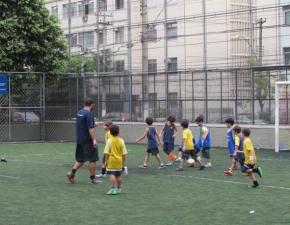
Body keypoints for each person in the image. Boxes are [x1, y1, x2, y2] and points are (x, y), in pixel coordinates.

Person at [66, 98, 102, 184]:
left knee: (81, 159)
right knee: (93, 159)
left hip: (80, 139)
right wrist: (94, 140)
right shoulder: (89, 114)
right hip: (88, 140)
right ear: (92, 105)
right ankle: (92, 179)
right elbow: (90, 128)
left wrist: (93, 124)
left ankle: (72, 173)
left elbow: (84, 124)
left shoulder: (79, 112)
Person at [104, 125, 128, 195]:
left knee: (112, 174)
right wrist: (123, 161)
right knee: (119, 175)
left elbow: (107, 152)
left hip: (112, 160)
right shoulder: (121, 141)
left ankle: (113, 189)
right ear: (118, 132)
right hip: (119, 160)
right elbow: (124, 153)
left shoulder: (109, 141)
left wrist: (106, 161)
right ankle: (119, 189)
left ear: (110, 133)